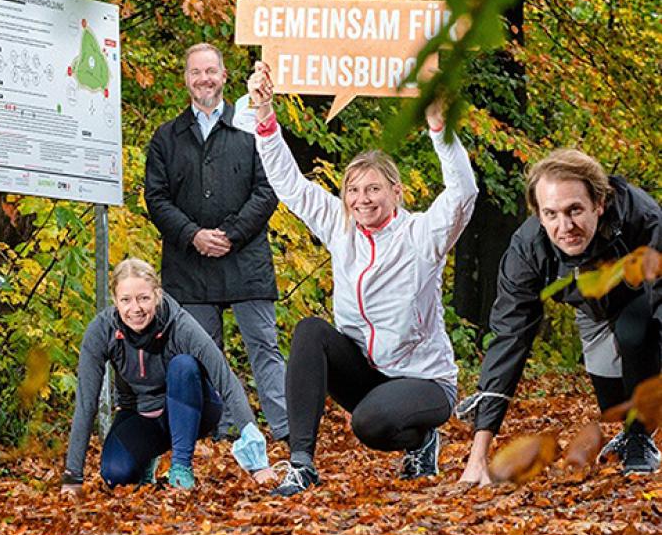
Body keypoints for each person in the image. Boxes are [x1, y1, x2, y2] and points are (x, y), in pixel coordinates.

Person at [245, 61, 478, 495]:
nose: (361, 199)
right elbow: (290, 186)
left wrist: (440, 128)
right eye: (353, 190)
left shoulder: (422, 235)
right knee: (311, 331)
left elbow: (463, 193)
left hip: (424, 381)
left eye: (373, 189)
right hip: (368, 371)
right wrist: (264, 118)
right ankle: (301, 464)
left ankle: (424, 437)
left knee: (369, 425)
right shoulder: (341, 226)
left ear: (396, 192)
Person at [459, 149, 661, 484]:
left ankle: (640, 440)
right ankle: (629, 431)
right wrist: (478, 455)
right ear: (538, 214)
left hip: (638, 296)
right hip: (591, 312)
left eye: (575, 210)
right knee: (614, 406)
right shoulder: (527, 250)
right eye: (551, 214)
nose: (565, 226)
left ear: (600, 203)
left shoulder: (644, 219)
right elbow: (510, 338)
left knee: (634, 332)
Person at [144, 43, 288, 442]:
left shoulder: (251, 127)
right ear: (186, 79)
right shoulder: (167, 138)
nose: (203, 79)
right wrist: (193, 235)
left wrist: (231, 234)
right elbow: (155, 198)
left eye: (211, 71)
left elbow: (269, 187)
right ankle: (224, 432)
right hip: (190, 267)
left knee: (265, 348)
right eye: (195, 72)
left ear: (224, 76)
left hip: (246, 260)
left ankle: (287, 430)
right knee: (204, 354)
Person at [61, 258, 276, 493]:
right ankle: (146, 460)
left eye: (144, 298)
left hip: (193, 407)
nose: (136, 309)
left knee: (183, 365)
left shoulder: (179, 324)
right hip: (142, 414)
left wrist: (259, 464)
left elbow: (225, 379)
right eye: (126, 300)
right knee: (116, 475)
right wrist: (73, 477)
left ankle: (181, 467)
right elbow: (86, 402)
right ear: (115, 301)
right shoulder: (101, 331)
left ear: (157, 294)